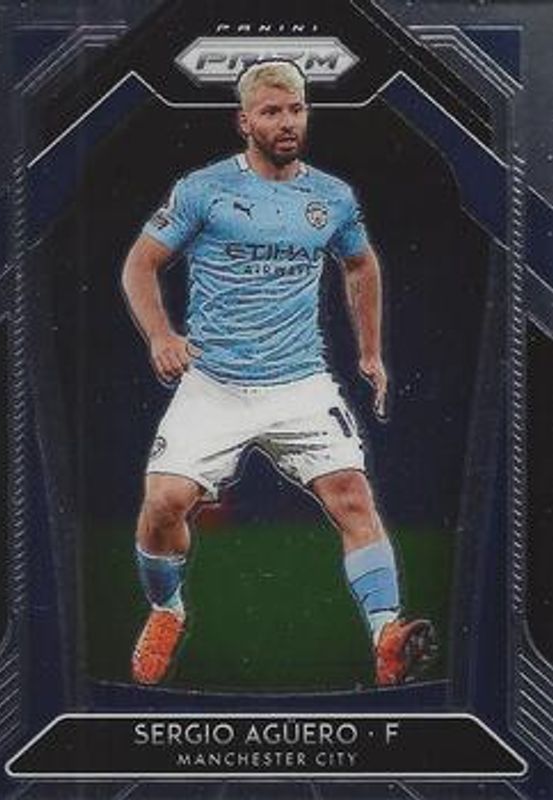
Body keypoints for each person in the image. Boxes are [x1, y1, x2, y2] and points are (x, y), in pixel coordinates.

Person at [121, 60, 434, 688]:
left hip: (300, 383)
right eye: (271, 112)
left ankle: (387, 634)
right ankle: (166, 610)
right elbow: (140, 264)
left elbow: (361, 265)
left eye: (296, 109)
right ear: (245, 121)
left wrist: (371, 352)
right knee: (162, 503)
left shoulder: (332, 197)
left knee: (353, 496)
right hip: (215, 383)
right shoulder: (203, 189)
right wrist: (161, 335)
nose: (287, 122)